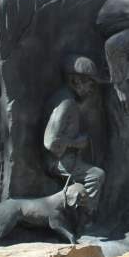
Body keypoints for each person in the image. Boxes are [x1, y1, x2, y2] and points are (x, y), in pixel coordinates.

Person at [43, 55, 106, 219]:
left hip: (67, 160)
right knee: (96, 175)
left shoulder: (64, 98)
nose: (92, 88)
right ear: (75, 81)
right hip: (60, 163)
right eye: (89, 83)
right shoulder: (66, 103)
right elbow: (50, 142)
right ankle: (87, 219)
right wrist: (76, 143)